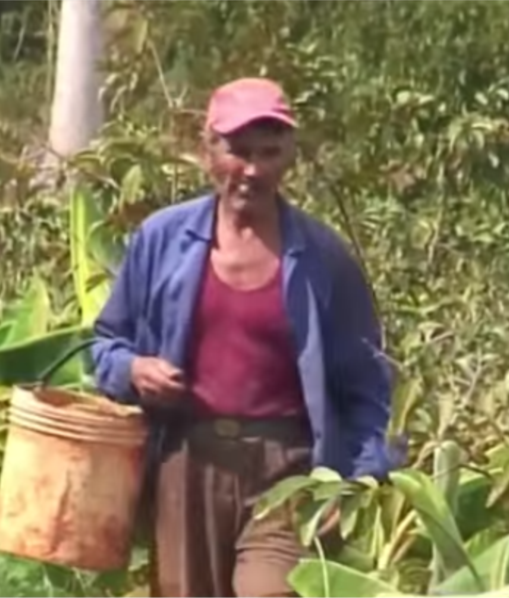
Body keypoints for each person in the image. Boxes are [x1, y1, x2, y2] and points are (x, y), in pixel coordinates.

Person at [91, 77, 401, 598]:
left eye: (269, 152)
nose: (253, 169)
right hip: (187, 462)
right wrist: (133, 370)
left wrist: (354, 481)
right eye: (238, 151)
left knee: (271, 590)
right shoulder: (162, 240)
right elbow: (106, 343)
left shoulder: (323, 257)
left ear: (289, 156)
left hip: (289, 468)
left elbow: (369, 381)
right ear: (207, 149)